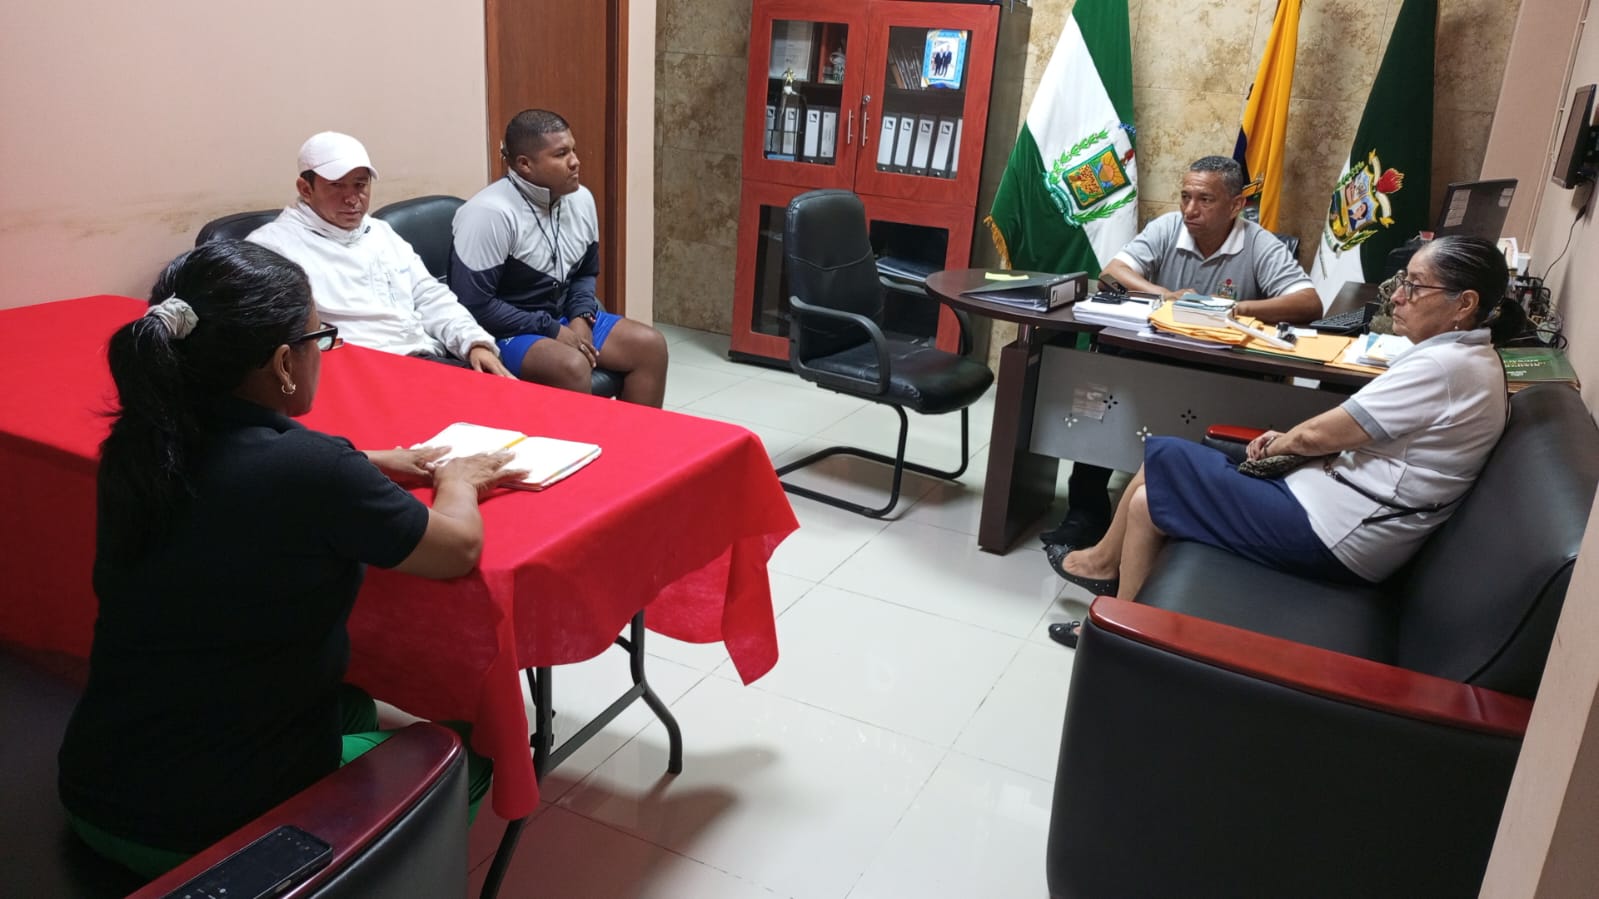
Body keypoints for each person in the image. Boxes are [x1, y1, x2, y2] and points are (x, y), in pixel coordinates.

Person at [57, 241, 522, 878]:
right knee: (474, 748)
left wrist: (367, 461)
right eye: (319, 338)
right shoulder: (311, 472)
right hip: (206, 836)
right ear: (282, 363)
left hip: (97, 788)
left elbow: (259, 468)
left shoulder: (139, 445)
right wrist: (460, 480)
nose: (321, 353)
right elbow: (456, 549)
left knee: (353, 706)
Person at [1045, 235, 1512, 648]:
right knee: (1148, 499)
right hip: (1337, 512)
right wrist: (1291, 442)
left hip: (1335, 535)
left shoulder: (1444, 368)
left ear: (1464, 304)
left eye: (1415, 286)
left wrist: (1281, 443)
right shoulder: (1466, 359)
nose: (1398, 297)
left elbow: (1318, 435)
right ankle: (1115, 623)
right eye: (1403, 282)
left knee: (1166, 455)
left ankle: (1103, 580)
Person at [1041, 155, 1324, 550]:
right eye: (1186, 196)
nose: (1191, 209)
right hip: (1154, 354)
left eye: (1205, 199)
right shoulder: (1168, 227)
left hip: (1225, 367)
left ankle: (1195, 518)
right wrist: (1165, 295)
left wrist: (1235, 308)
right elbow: (1113, 272)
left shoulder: (1258, 242)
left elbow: (1309, 303)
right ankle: (1086, 512)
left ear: (1236, 205)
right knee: (1104, 389)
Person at [248, 131, 514, 376]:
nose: (352, 198)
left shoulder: (380, 232)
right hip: (356, 374)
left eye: (360, 185)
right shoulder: (273, 248)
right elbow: (286, 342)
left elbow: (429, 296)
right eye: (337, 186)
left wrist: (474, 342)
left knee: (509, 400)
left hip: (423, 360)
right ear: (306, 189)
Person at [450, 109, 669, 407]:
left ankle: (632, 438)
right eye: (561, 154)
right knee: (571, 365)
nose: (575, 161)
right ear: (525, 164)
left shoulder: (581, 199)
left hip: (561, 317)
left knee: (650, 347)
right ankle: (584, 438)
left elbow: (585, 273)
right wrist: (552, 330)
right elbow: (474, 305)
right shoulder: (489, 214)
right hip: (504, 330)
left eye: (573, 150)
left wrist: (581, 317)